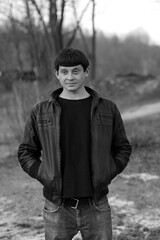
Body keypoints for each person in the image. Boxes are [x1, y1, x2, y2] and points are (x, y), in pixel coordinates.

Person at [18, 48, 132, 240]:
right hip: (57, 207)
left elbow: (122, 147)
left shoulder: (107, 108)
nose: (70, 77)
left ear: (86, 72)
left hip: (96, 204)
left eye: (75, 71)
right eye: (64, 71)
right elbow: (26, 152)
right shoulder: (41, 111)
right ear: (57, 74)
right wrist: (44, 174)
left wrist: (109, 170)